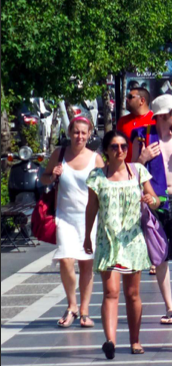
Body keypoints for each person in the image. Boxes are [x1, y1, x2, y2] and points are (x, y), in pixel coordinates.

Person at [83, 131, 159, 359]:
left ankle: (135, 340)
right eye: (115, 147)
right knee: (110, 291)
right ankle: (110, 341)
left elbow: (155, 201)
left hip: (133, 240)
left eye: (123, 146)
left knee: (132, 293)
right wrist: (86, 235)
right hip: (108, 240)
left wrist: (150, 200)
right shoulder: (97, 176)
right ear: (106, 150)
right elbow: (91, 208)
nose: (120, 150)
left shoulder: (137, 171)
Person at [131, 95, 172, 326]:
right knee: (160, 255)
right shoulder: (143, 137)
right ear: (161, 116)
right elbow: (131, 170)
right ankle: (169, 306)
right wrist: (142, 158)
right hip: (154, 202)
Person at [40, 116, 103, 328]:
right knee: (66, 259)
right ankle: (72, 306)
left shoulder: (96, 159)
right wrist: (53, 175)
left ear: (89, 134)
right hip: (64, 217)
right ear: (70, 132)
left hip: (89, 218)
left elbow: (105, 187)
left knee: (86, 264)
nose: (80, 136)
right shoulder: (60, 154)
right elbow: (44, 178)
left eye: (84, 133)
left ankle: (84, 310)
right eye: (76, 132)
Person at [117, 87, 153, 161]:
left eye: (130, 97)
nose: (126, 99)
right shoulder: (123, 121)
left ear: (142, 101)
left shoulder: (155, 120)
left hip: (150, 168)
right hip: (127, 169)